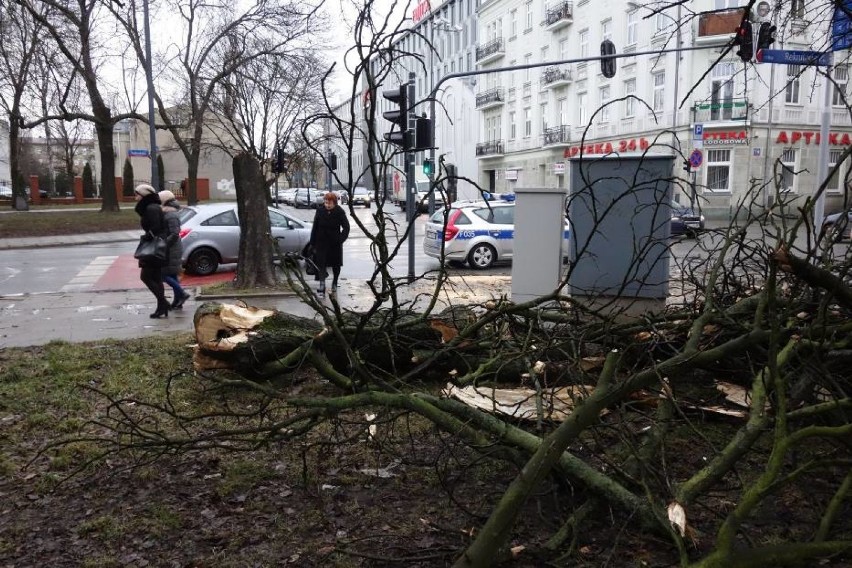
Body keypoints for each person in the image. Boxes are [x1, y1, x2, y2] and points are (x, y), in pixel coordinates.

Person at [134, 184, 170, 318]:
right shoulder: (153, 207)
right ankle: (162, 307)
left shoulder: (151, 208)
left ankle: (163, 303)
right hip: (156, 247)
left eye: (137, 194)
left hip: (154, 248)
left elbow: (155, 227)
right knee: (155, 277)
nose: (135, 197)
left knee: (146, 277)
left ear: (144, 195)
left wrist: (146, 237)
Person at [309, 191, 349, 296]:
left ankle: (335, 282)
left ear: (334, 203)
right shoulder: (320, 211)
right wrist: (312, 243)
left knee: (336, 264)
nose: (327, 205)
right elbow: (315, 227)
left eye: (329, 203)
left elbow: (346, 227)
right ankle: (322, 284)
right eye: (326, 202)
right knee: (321, 264)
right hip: (321, 242)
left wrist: (340, 239)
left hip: (335, 243)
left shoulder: (339, 212)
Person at [158, 190, 191, 310]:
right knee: (172, 274)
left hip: (171, 248)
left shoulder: (170, 214)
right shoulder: (168, 213)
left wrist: (164, 244)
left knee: (162, 274)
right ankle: (178, 300)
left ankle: (182, 294)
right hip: (171, 247)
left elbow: (175, 233)